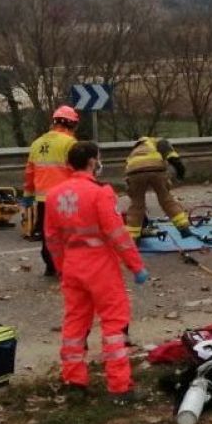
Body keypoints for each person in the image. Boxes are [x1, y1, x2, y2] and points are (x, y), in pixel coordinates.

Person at [44, 140, 148, 398]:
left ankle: (74, 381)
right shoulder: (100, 193)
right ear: (92, 162)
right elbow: (117, 235)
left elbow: (52, 239)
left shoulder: (54, 194)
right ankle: (120, 385)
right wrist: (136, 266)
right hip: (100, 265)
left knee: (75, 324)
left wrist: (61, 268)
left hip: (72, 265)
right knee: (114, 323)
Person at [24, 105, 80, 277]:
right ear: (71, 125)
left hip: (42, 199)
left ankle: (50, 266)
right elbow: (76, 171)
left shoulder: (36, 144)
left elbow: (29, 172)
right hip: (65, 198)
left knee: (47, 234)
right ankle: (66, 268)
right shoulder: (70, 143)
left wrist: (27, 195)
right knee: (68, 234)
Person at [123, 135, 190, 241]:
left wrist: (131, 190)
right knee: (166, 200)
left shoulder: (135, 150)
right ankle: (184, 228)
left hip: (134, 173)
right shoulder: (158, 141)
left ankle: (133, 239)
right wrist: (180, 174)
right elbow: (172, 157)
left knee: (136, 205)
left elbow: (127, 170)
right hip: (156, 170)